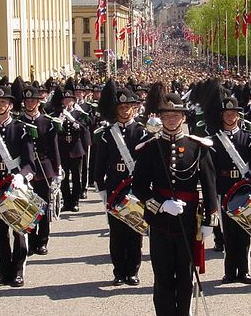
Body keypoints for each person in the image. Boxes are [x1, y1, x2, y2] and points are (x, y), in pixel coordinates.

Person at [132, 84, 218, 316]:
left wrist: (211, 220)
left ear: (183, 117)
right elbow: (138, 187)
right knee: (162, 276)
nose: (171, 120)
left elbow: (210, 186)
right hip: (160, 222)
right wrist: (160, 204)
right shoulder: (150, 148)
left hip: (189, 221)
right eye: (166, 115)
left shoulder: (197, 147)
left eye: (175, 115)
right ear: (160, 118)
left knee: (184, 275)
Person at [201, 80, 251, 285]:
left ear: (238, 115)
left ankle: (244, 270)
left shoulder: (248, 137)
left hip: (244, 188)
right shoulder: (214, 140)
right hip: (224, 188)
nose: (230, 116)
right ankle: (230, 271)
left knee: (244, 232)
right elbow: (209, 169)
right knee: (227, 233)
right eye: (227, 114)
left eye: (233, 113)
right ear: (222, 115)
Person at [0, 78, 36, 288]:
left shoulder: (22, 129)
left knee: (19, 231)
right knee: (0, 233)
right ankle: (5, 272)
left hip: (16, 185)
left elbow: (30, 163)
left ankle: (18, 271)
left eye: (4, 102)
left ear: (11, 105)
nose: (0, 105)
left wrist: (22, 176)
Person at [94, 81, 146, 286]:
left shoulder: (141, 132)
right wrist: (101, 188)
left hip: (135, 187)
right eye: (121, 107)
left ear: (134, 108)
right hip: (115, 187)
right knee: (116, 234)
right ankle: (118, 271)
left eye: (127, 107)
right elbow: (99, 164)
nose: (124, 111)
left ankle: (132, 271)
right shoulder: (107, 133)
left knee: (135, 232)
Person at [18, 81, 61, 256]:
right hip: (24, 169)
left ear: (38, 102)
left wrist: (57, 170)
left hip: (43, 168)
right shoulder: (18, 122)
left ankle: (42, 240)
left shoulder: (46, 122)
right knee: (27, 206)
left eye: (33, 101)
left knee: (43, 206)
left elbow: (54, 148)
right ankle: (30, 240)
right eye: (27, 101)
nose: (30, 104)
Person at [51, 79, 91, 212]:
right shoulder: (58, 114)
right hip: (63, 148)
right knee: (64, 176)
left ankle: (75, 201)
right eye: (65, 100)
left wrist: (72, 120)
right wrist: (60, 121)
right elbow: (54, 131)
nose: (68, 102)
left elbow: (84, 129)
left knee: (76, 176)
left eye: (70, 100)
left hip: (76, 148)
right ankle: (67, 201)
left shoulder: (78, 114)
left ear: (74, 101)